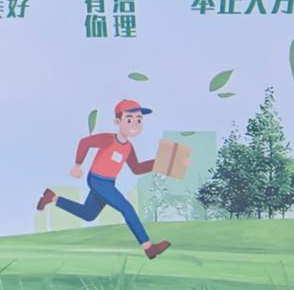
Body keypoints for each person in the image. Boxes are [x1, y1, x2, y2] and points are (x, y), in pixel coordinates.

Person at [36, 100, 184, 259]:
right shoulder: (109, 139)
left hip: (108, 183)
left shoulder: (128, 147)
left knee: (88, 214)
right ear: (117, 122)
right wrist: (78, 164)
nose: (135, 124)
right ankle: (148, 247)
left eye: (139, 120)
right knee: (127, 209)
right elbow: (85, 142)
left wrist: (162, 163)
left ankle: (53, 198)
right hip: (97, 181)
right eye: (129, 119)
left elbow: (137, 168)